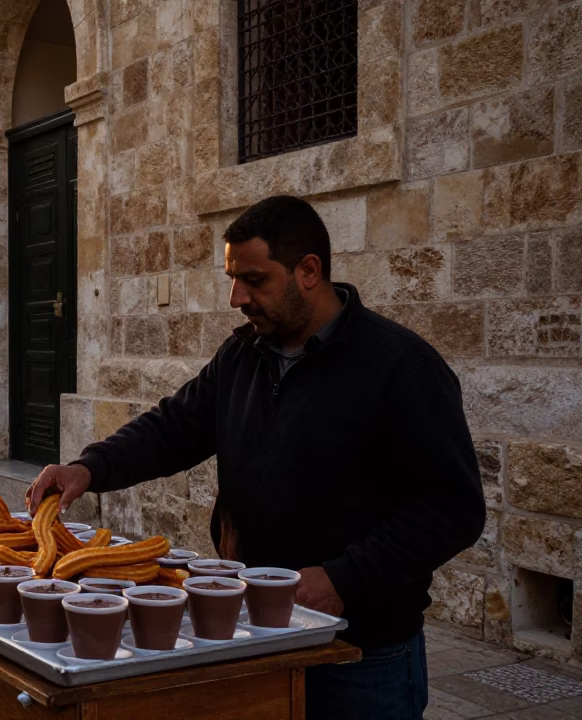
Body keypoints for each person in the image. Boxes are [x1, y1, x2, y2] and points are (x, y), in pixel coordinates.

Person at [26, 196, 485, 720]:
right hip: (255, 635)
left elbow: (452, 509)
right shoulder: (243, 353)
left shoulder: (402, 367)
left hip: (362, 655)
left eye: (254, 279)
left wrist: (344, 579)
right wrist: (89, 467)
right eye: (232, 277)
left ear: (308, 271)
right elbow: (175, 427)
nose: (235, 297)